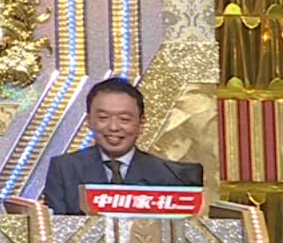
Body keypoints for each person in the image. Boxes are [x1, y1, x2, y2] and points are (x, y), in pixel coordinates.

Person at [43, 78, 204, 214]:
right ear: (89, 121)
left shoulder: (171, 176)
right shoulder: (64, 169)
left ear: (141, 123)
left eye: (124, 119)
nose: (113, 127)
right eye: (103, 117)